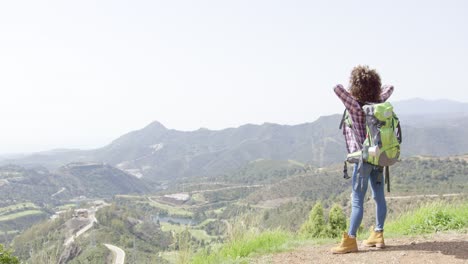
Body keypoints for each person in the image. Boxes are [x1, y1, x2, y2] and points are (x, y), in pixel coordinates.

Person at [331, 65, 394, 254]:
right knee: (379, 196)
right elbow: (390, 87)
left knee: (358, 201)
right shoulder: (379, 102)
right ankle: (378, 234)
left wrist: (353, 91)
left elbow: (336, 87)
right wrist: (375, 91)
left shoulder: (354, 105)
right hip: (378, 158)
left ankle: (350, 240)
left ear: (355, 86)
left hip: (362, 160)